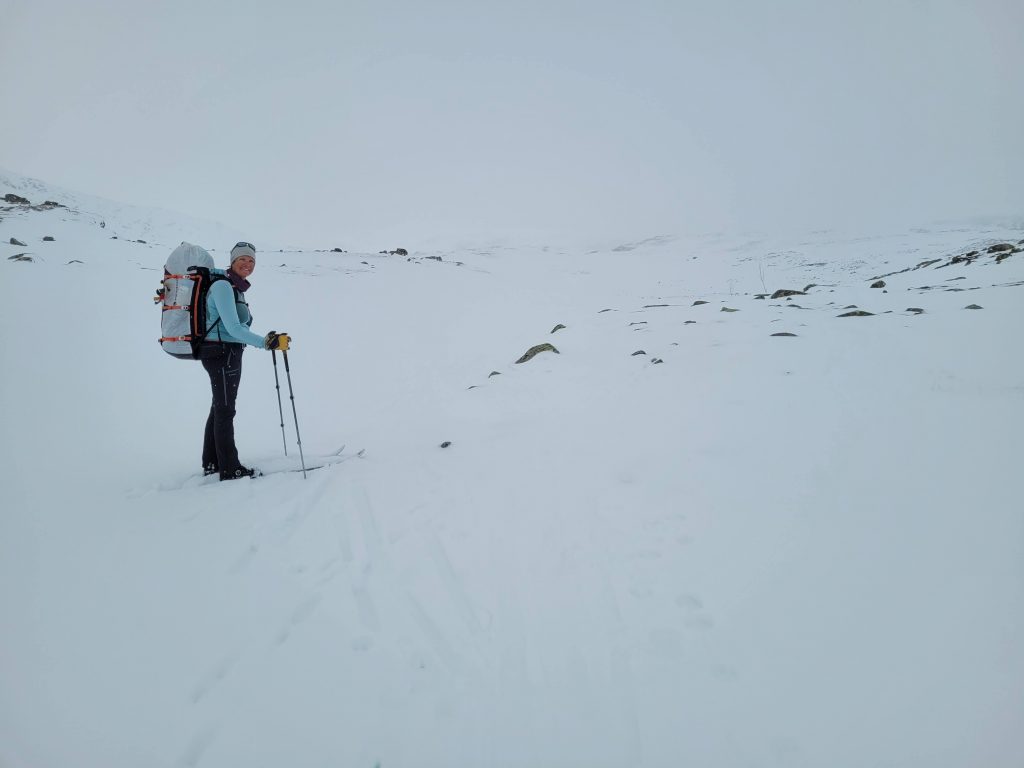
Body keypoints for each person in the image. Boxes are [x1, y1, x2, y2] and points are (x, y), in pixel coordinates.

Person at [200, 241, 290, 480]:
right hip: (222, 353)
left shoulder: (233, 287)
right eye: (242, 259)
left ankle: (212, 462)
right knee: (225, 410)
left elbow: (235, 326)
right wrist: (265, 342)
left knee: (219, 407)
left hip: (224, 351)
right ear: (232, 261)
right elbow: (234, 327)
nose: (247, 264)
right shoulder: (222, 286)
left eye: (251, 261)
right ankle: (230, 468)